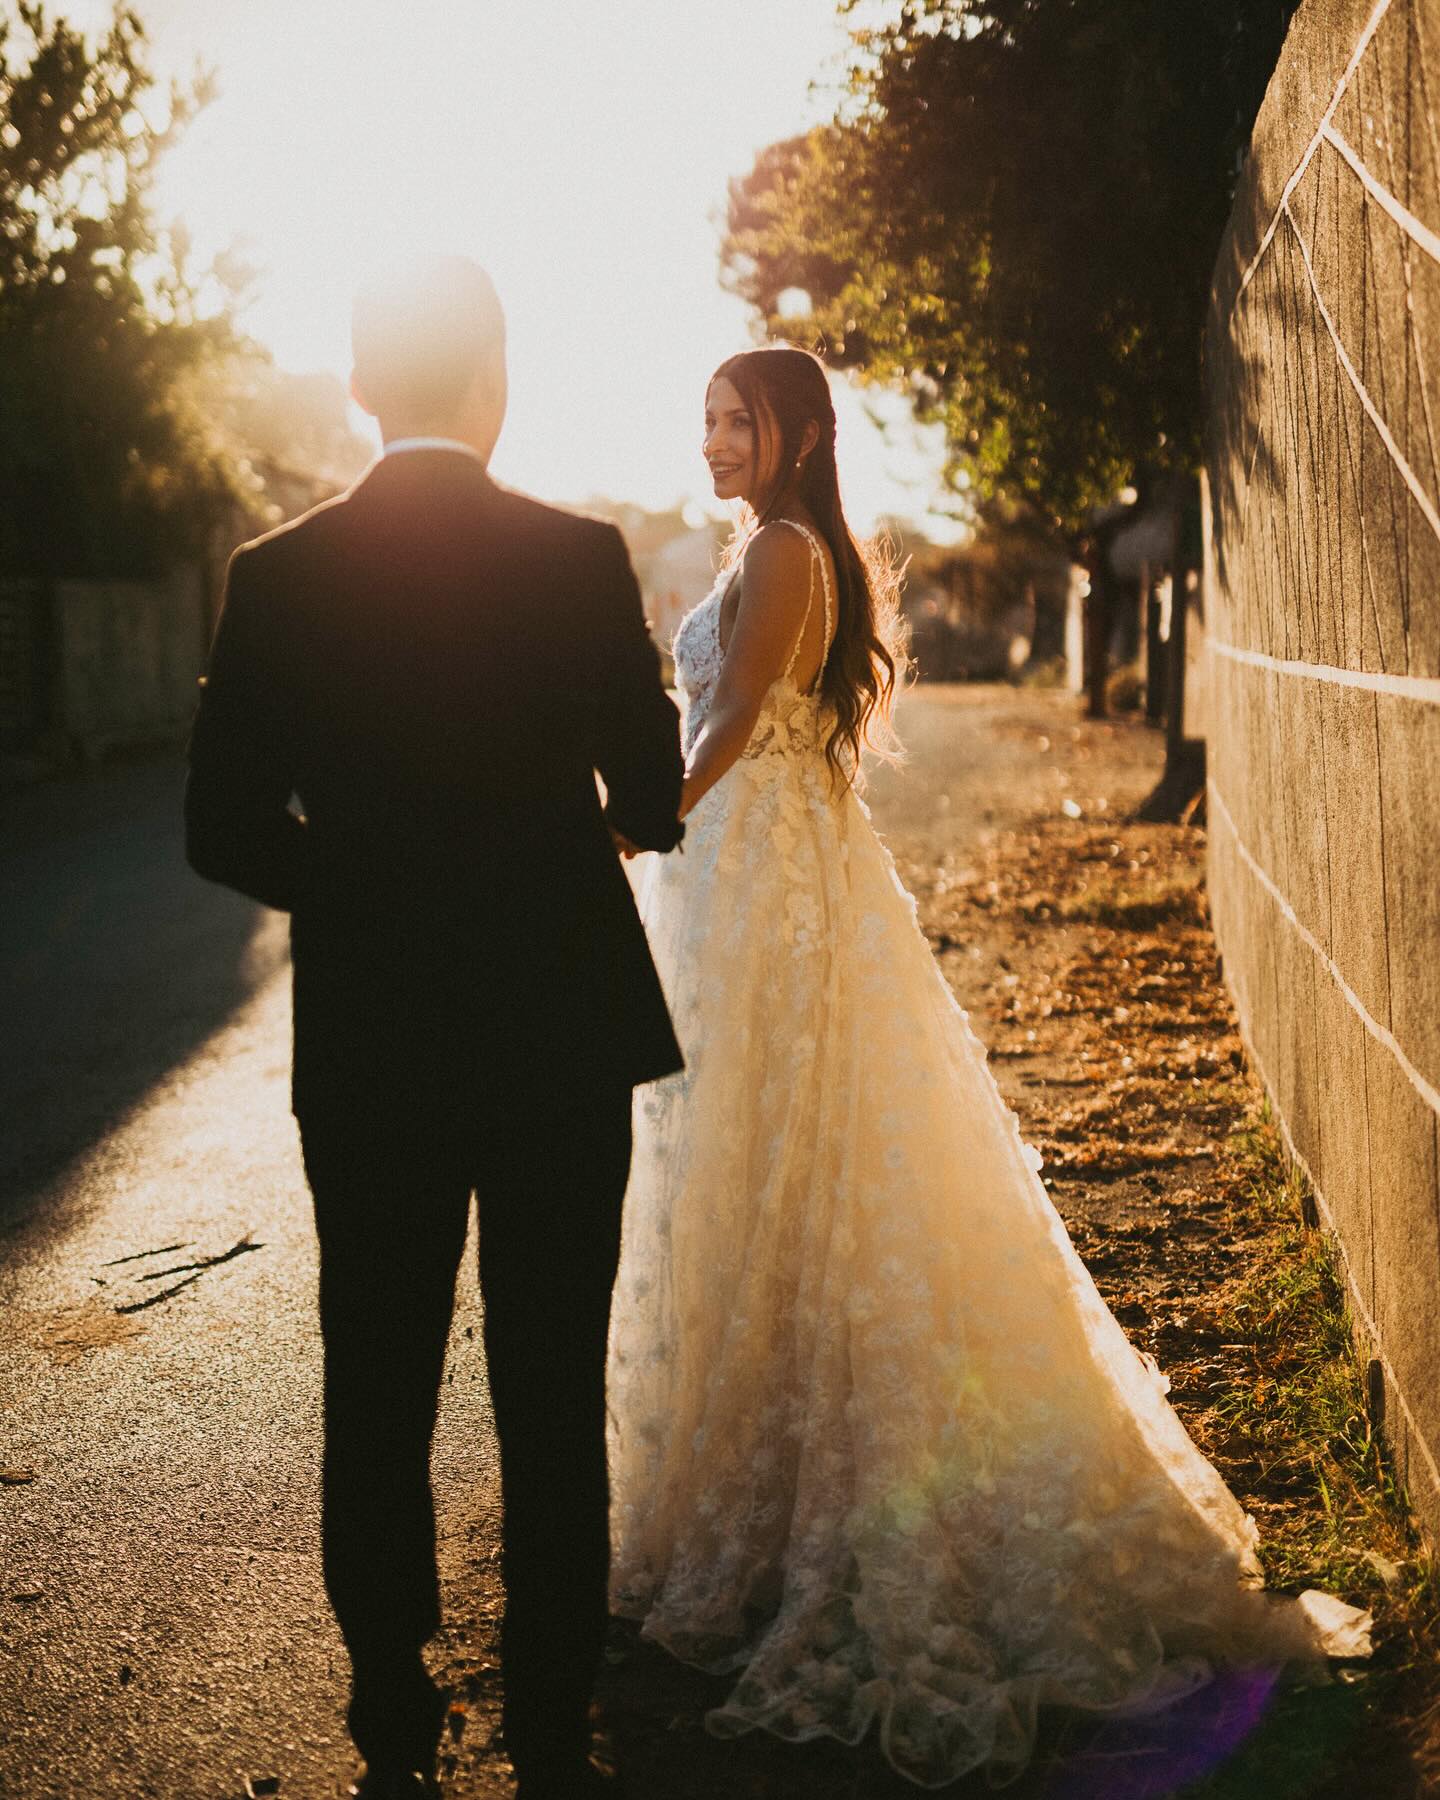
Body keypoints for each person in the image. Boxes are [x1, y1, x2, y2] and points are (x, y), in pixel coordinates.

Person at [606, 343, 1371, 1789]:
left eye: (738, 420)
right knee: (752, 1167)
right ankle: (751, 1478)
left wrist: (637, 817)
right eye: (704, 416)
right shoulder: (781, 543)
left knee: (775, 1163)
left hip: (765, 891)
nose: (714, 438)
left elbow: (717, 730)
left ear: (796, 434)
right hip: (760, 884)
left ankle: (788, 1503)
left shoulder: (778, 554)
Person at [185, 254, 684, 1799]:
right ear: (495, 380)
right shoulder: (579, 556)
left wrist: (361, 875)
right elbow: (654, 802)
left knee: (377, 1373)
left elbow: (218, 828)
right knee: (549, 1386)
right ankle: (550, 1726)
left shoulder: (273, 577)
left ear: (356, 387)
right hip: (557, 1028)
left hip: (373, 1039)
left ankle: (391, 1705)